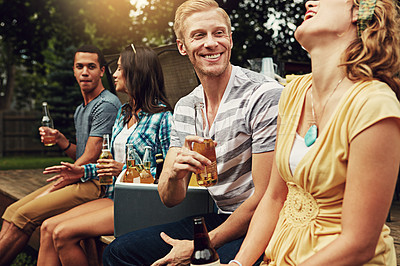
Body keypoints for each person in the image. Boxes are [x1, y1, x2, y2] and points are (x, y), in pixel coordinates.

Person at [103, 1, 283, 265]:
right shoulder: (186, 107)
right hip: (222, 216)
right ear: (182, 46)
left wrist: (202, 244)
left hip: (264, 223)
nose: (211, 43)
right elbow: (170, 198)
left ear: (230, 40)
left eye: (219, 33)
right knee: (120, 251)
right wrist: (175, 173)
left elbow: (267, 197)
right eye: (199, 35)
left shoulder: (262, 95)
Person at [227, 0, 400, 265]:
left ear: (358, 11)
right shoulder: (294, 93)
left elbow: (359, 244)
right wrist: (239, 264)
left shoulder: (374, 105)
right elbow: (275, 197)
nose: (309, 1)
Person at [36, 45, 173, 266]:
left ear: (136, 73)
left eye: (120, 69)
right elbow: (109, 165)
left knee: (62, 234)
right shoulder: (124, 112)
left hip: (140, 205)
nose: (115, 74)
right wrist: (81, 171)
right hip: (113, 197)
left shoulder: (163, 118)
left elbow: (170, 174)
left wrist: (126, 171)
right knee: (48, 227)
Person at [0, 44, 121, 265]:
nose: (85, 72)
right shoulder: (81, 108)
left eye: (91, 67)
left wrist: (65, 177)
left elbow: (93, 155)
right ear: (73, 70)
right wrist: (62, 142)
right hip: (81, 176)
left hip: (96, 183)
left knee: (23, 216)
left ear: (102, 71)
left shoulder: (106, 105)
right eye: (80, 66)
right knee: (11, 210)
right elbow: (82, 155)